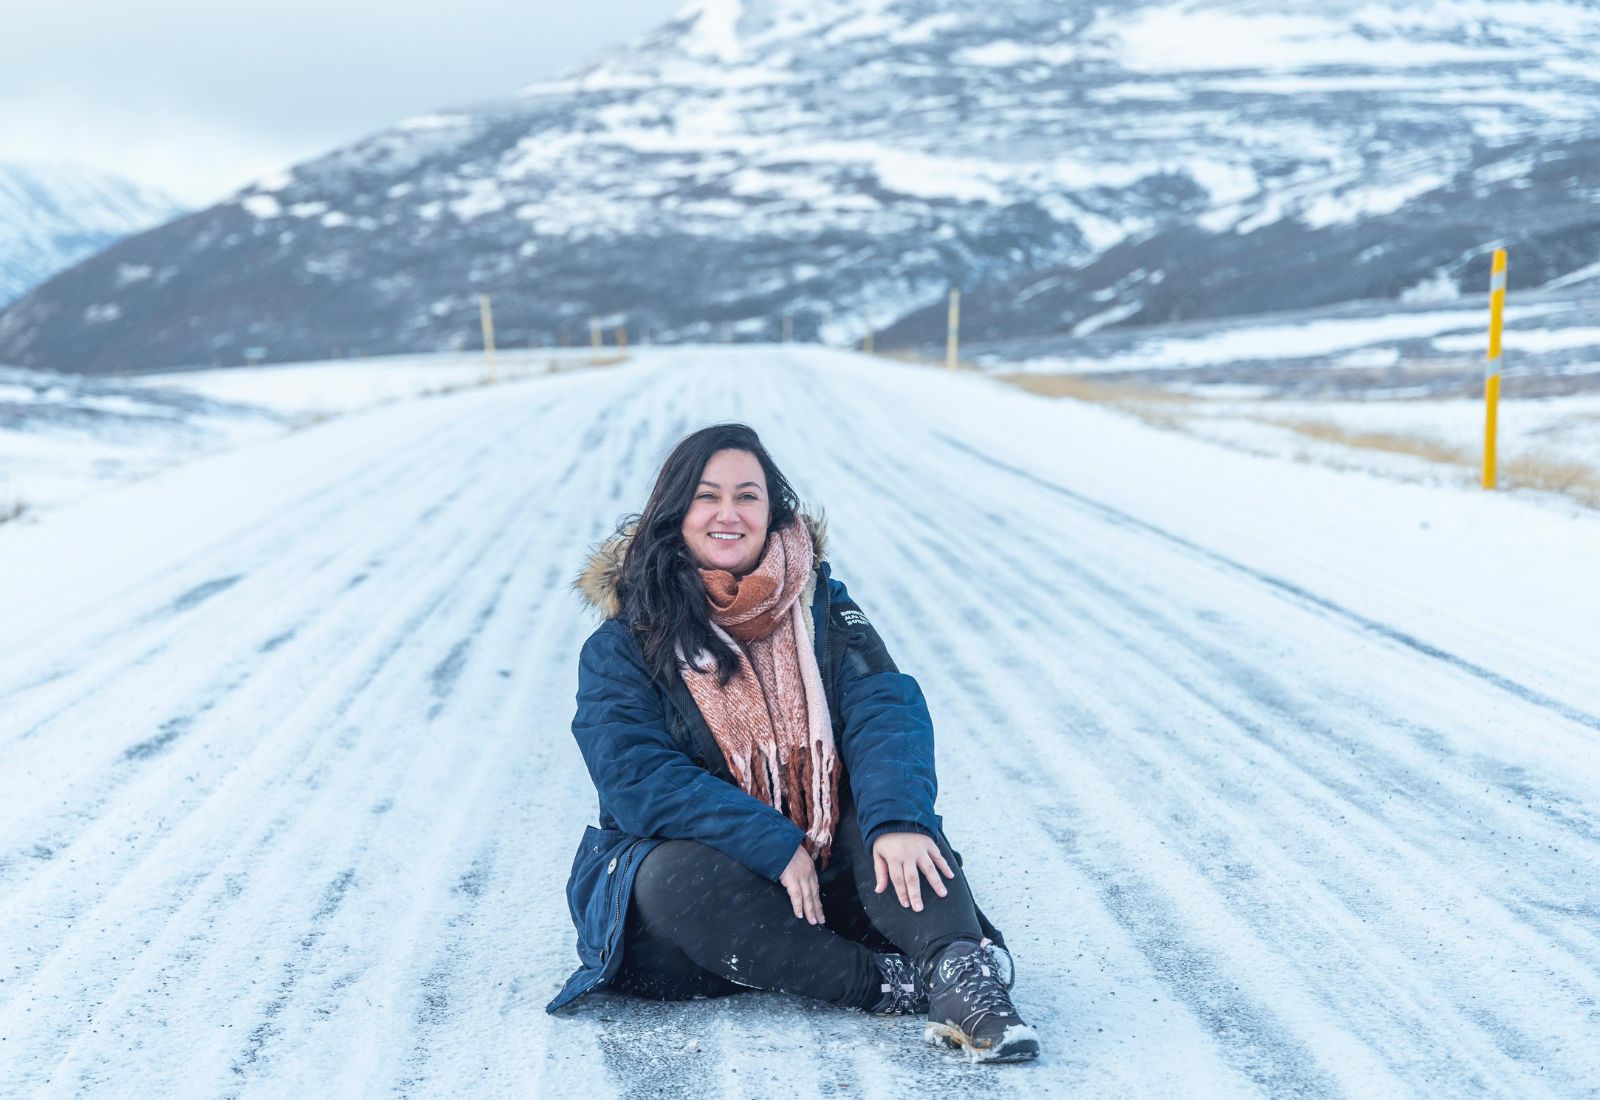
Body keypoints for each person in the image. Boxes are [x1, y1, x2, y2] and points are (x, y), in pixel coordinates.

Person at [545, 423, 1040, 1063]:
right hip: (705, 910)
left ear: (771, 510)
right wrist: (774, 843)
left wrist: (899, 818)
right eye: (707, 496)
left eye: (748, 496)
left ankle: (961, 974)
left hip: (822, 868)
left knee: (890, 824)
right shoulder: (622, 643)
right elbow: (637, 777)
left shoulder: (821, 609)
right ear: (675, 512)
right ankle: (886, 982)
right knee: (671, 876)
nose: (729, 514)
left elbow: (883, 707)